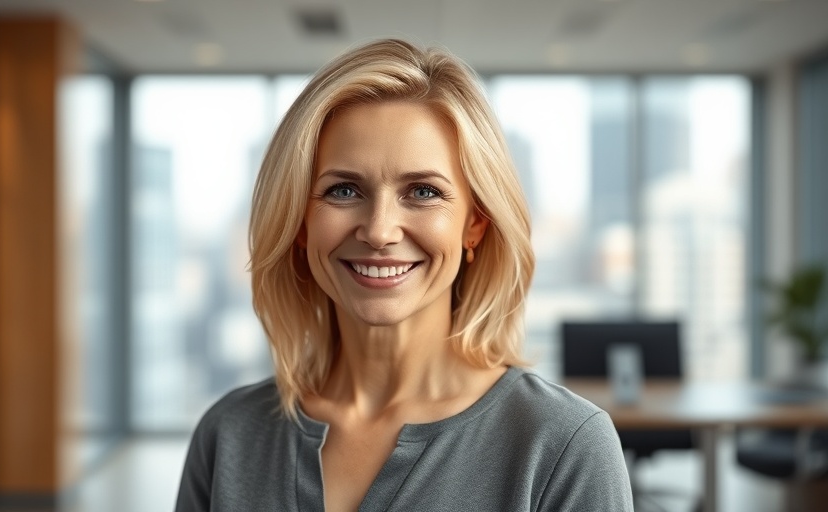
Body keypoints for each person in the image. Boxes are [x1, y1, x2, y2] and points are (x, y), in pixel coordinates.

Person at [175, 38, 632, 511]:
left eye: (422, 192)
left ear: (474, 224)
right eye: (344, 189)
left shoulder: (564, 447)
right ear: (300, 223)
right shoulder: (228, 435)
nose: (378, 231)